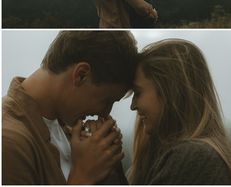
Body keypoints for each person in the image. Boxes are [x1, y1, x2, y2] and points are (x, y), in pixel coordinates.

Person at [2, 30, 138, 185]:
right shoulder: (9, 143)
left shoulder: (68, 126)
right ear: (81, 74)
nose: (105, 113)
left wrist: (107, 162)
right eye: (107, 100)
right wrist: (83, 175)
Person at [128, 38, 231, 184]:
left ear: (169, 91)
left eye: (138, 92)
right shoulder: (181, 155)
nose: (133, 106)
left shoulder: (194, 158)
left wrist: (96, 173)